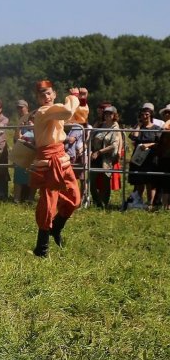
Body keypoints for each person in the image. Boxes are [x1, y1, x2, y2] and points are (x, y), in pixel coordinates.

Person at [29, 82, 82, 257]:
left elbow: (75, 115)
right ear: (37, 98)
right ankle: (41, 248)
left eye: (49, 94)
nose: (46, 98)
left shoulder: (55, 109)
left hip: (62, 158)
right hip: (48, 163)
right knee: (48, 204)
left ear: (54, 94)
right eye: (42, 95)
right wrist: (73, 96)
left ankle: (56, 229)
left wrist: (79, 102)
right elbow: (68, 111)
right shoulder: (44, 111)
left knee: (74, 199)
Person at [126, 106, 162, 209]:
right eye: (142, 115)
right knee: (139, 181)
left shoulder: (156, 128)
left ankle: (150, 204)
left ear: (151, 115)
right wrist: (139, 125)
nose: (144, 116)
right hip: (138, 158)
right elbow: (134, 137)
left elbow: (159, 142)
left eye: (146, 114)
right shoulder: (139, 127)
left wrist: (148, 145)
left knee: (150, 182)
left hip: (151, 158)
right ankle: (138, 203)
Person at [89, 106, 122, 209]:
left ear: (114, 115)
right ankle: (96, 201)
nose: (108, 115)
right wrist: (90, 150)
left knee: (105, 181)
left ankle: (104, 203)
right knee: (91, 180)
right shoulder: (100, 125)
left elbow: (114, 145)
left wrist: (99, 152)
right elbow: (91, 139)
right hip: (95, 156)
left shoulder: (115, 128)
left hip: (106, 158)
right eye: (106, 114)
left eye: (110, 114)